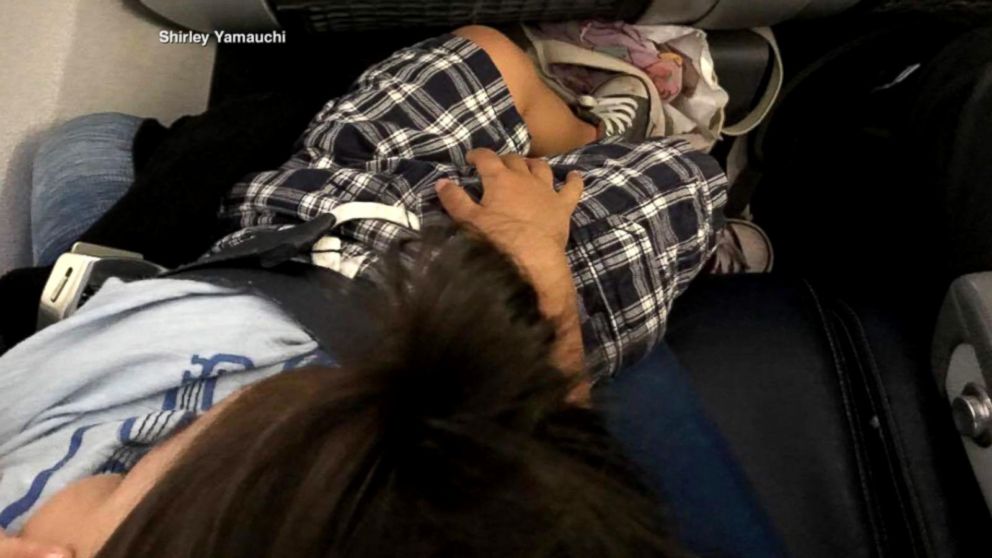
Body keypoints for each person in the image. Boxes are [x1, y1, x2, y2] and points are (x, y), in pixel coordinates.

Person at [0, 26, 761, 557]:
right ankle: (700, 232)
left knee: (487, 54)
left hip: (279, 246)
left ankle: (592, 129)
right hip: (503, 312)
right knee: (685, 179)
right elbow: (538, 461)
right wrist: (535, 262)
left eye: (128, 470)